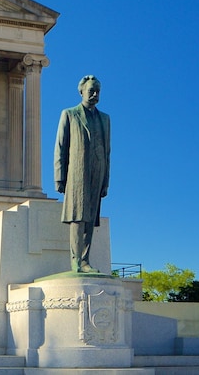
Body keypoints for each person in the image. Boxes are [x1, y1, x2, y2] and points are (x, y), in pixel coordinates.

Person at [54, 75, 111, 273]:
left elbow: (107, 151)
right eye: (91, 90)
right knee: (77, 217)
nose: (94, 94)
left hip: (98, 170)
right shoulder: (69, 114)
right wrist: (59, 176)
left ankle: (86, 260)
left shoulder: (105, 119)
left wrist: (106, 180)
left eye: (97, 91)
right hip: (76, 172)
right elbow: (61, 146)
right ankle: (76, 261)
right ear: (81, 92)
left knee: (90, 218)